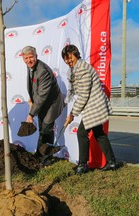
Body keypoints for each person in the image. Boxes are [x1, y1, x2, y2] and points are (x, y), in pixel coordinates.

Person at [61, 44, 117, 175]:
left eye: (70, 58)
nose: (68, 61)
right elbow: (74, 88)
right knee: (99, 133)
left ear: (76, 55)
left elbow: (84, 95)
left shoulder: (83, 69)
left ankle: (83, 164)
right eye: (66, 59)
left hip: (94, 105)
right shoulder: (75, 69)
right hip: (91, 104)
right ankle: (112, 162)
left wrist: (72, 114)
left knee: (81, 133)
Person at [22, 46, 65, 162]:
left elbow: (42, 96)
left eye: (31, 57)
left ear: (36, 56)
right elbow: (35, 87)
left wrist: (30, 115)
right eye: (26, 58)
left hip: (52, 104)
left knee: (46, 129)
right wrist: (31, 98)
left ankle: (47, 158)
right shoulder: (30, 67)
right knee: (42, 129)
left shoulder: (43, 71)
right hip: (42, 103)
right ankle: (40, 154)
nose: (28, 60)